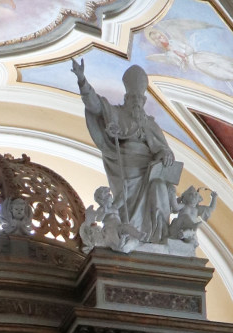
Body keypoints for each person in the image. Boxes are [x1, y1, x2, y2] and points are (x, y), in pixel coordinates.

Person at [71, 58, 181, 244]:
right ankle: (132, 235)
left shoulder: (151, 124)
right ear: (126, 98)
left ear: (144, 100)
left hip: (150, 169)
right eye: (133, 98)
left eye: (140, 99)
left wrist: (165, 154)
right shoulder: (116, 113)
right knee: (125, 202)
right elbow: (95, 105)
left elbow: (164, 149)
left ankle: (157, 235)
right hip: (126, 166)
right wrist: (82, 80)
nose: (137, 102)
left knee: (160, 187)